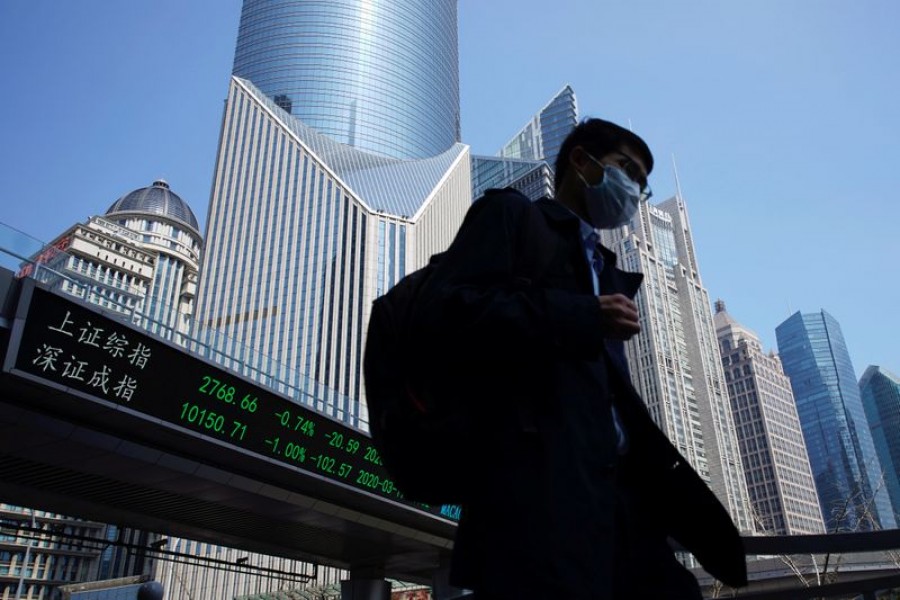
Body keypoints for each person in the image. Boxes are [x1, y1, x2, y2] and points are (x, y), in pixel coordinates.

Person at [411, 118, 747, 599]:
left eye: (642, 186)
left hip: (621, 504)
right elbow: (445, 315)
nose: (633, 190)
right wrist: (581, 314)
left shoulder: (605, 269)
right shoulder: (509, 216)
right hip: (538, 507)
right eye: (625, 170)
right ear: (581, 161)